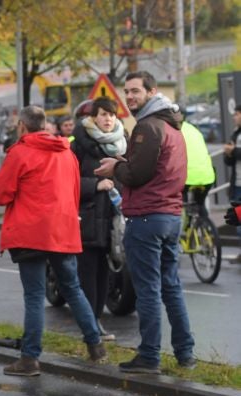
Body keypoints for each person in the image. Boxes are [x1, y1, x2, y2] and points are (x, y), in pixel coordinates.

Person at [0, 105, 107, 376]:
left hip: (30, 233)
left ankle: (30, 359)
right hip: (62, 230)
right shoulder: (66, 153)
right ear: (46, 125)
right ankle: (96, 344)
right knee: (73, 288)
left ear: (22, 126)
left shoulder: (20, 152)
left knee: (34, 295)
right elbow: (75, 190)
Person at [95, 71, 195, 374]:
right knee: (171, 287)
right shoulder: (174, 127)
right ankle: (185, 353)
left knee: (148, 289)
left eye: (136, 91)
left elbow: (138, 175)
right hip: (170, 214)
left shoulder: (148, 128)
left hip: (147, 217)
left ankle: (150, 355)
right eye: (127, 91)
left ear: (152, 92)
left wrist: (115, 167)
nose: (130, 97)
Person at [71, 97, 127, 342]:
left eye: (111, 115)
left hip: (114, 219)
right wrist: (96, 184)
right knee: (88, 273)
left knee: (106, 273)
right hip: (88, 217)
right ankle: (89, 325)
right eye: (103, 114)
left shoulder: (122, 144)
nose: (108, 119)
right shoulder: (78, 145)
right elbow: (67, 182)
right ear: (92, 117)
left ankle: (97, 322)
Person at [225, 105, 241, 257]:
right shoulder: (235, 134)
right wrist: (228, 154)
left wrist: (234, 151)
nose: (234, 117)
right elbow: (228, 162)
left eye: (236, 114)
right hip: (237, 184)